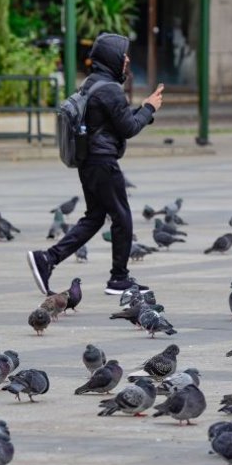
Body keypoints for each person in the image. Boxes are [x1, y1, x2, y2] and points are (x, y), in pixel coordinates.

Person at [28, 33, 163, 296]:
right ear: (111, 57)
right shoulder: (111, 89)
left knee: (95, 217)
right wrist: (149, 109)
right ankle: (118, 279)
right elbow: (128, 127)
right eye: (122, 54)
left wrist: (144, 108)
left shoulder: (92, 83)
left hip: (89, 161)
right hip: (103, 162)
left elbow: (116, 121)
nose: (126, 59)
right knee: (122, 217)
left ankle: (47, 260)